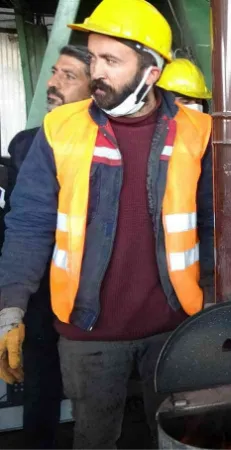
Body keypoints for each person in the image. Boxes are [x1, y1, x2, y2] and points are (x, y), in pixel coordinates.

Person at [0, 0, 215, 448]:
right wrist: (11, 306)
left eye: (111, 61)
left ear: (151, 70)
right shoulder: (60, 129)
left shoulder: (199, 131)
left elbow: (215, 221)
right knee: (95, 439)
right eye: (93, 57)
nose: (97, 71)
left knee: (182, 439)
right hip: (87, 331)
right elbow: (29, 221)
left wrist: (212, 300)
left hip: (174, 325)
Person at [1, 44, 92, 450]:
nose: (53, 84)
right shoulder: (26, 144)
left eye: (68, 76)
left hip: (92, 295)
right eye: (55, 72)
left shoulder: (116, 149)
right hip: (42, 295)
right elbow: (24, 225)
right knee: (41, 384)